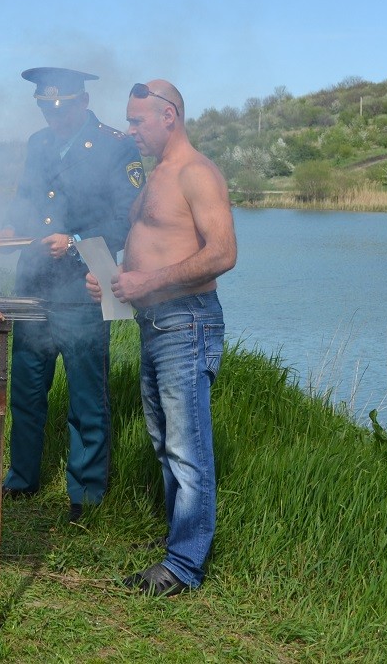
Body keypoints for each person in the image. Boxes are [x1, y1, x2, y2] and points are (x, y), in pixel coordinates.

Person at [86, 79, 237, 596]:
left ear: (169, 115)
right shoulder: (155, 179)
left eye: (138, 121)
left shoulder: (197, 173)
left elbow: (222, 254)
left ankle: (184, 566)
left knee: (187, 446)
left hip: (187, 321)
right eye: (127, 121)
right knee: (165, 442)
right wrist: (113, 276)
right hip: (156, 323)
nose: (131, 131)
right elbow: (150, 249)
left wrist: (146, 281)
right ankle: (179, 547)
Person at [0, 67, 143, 523]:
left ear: (83, 101)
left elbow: (125, 220)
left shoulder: (115, 145)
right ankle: (21, 480)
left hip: (82, 286)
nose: (55, 115)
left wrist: (72, 241)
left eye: (63, 107)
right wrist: (11, 229)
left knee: (87, 393)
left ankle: (86, 493)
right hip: (32, 285)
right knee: (27, 389)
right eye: (47, 108)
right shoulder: (38, 143)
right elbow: (26, 202)